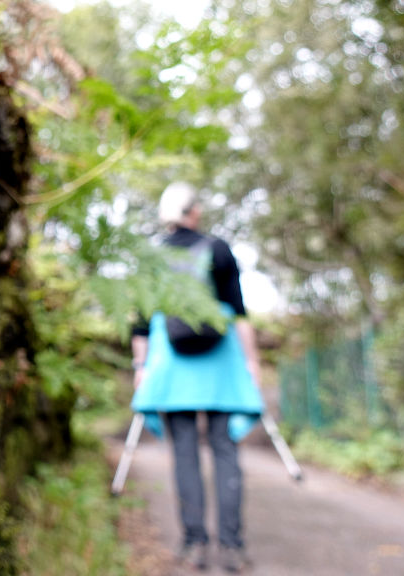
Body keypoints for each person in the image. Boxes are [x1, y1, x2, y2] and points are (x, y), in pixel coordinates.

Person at [130, 182, 264, 573]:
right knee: (225, 451)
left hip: (171, 365)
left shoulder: (151, 255)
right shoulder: (218, 249)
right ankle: (232, 547)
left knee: (184, 454)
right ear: (192, 211)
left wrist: (141, 369)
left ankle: (194, 545)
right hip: (221, 364)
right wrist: (252, 363)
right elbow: (238, 312)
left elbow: (140, 323)